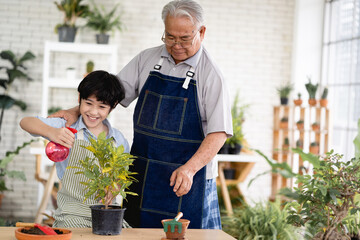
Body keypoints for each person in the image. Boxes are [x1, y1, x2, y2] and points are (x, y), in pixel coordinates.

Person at [51, 0, 232, 229]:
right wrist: (75, 110)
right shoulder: (147, 59)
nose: (176, 45)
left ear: (202, 32)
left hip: (187, 179)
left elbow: (219, 133)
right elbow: (108, 96)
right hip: (143, 174)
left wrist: (190, 169)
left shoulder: (212, 75)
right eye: (169, 36)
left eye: (184, 38)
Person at [19, 70, 130, 228]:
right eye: (88, 103)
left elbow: (122, 174)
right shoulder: (66, 127)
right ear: (79, 99)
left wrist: (116, 187)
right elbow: (25, 122)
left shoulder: (118, 139)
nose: (93, 112)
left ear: (112, 107)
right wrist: (52, 132)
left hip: (107, 216)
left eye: (102, 106)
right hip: (71, 215)